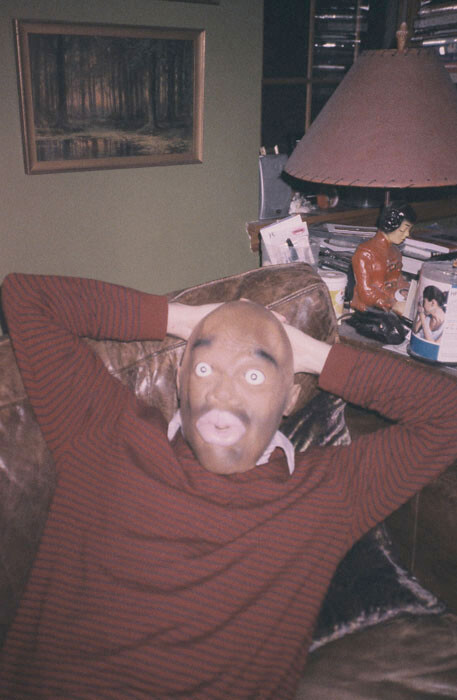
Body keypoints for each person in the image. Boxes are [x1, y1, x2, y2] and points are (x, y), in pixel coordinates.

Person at [1, 272, 457, 700]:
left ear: (289, 398)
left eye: (254, 376)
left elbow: (447, 415)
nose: (221, 393)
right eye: (204, 370)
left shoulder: (325, 493)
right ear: (179, 380)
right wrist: (186, 320)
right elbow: (27, 298)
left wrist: (309, 354)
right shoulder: (109, 434)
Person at [350, 201, 417, 315]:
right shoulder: (365, 252)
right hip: (370, 308)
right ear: (390, 226)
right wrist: (390, 304)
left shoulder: (395, 252)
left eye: (408, 230)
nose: (407, 234)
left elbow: (397, 279)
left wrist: (408, 291)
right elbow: (366, 291)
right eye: (403, 230)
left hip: (390, 302)